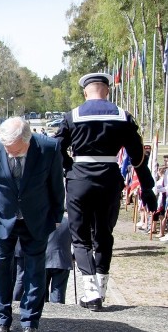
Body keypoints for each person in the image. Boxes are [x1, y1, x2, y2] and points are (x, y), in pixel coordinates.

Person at [54, 73, 158, 310]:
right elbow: (138, 156)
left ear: (85, 92)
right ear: (107, 91)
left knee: (80, 237)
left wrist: (69, 167)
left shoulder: (72, 116)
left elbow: (56, 147)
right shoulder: (123, 116)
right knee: (104, 234)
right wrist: (147, 187)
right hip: (110, 178)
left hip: (79, 178)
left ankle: (90, 292)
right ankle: (101, 287)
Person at [0, 117, 64, 332]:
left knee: (35, 271)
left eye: (17, 151)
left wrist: (55, 217)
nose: (12, 155)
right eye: (8, 150)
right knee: (1, 270)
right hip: (2, 219)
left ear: (28, 140)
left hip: (36, 218)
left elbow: (55, 185)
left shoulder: (48, 148)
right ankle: (1, 320)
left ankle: (30, 322)